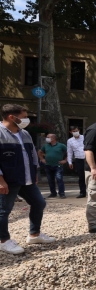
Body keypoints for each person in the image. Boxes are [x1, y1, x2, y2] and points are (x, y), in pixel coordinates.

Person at [0, 104, 54, 254]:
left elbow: (32, 154)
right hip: (8, 179)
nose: (26, 120)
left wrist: (34, 172)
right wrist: (0, 180)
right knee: (4, 210)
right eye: (23, 117)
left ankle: (34, 234)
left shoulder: (24, 133)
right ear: (12, 117)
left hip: (26, 178)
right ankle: (3, 241)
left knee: (39, 203)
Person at [39, 133, 67, 199]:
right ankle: (53, 193)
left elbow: (69, 152)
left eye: (48, 137)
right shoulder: (45, 146)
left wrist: (65, 160)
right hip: (48, 165)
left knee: (59, 179)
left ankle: (62, 193)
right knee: (50, 180)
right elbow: (40, 152)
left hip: (58, 165)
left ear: (53, 138)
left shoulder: (61, 145)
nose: (47, 138)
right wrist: (42, 159)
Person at [67, 126, 87, 198]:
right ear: (70, 132)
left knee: (90, 175)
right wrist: (70, 162)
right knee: (81, 177)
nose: (75, 132)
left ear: (79, 130)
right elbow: (69, 152)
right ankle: (82, 192)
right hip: (78, 159)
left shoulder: (84, 137)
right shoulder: (70, 141)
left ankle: (92, 191)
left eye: (76, 130)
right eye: (73, 131)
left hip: (87, 158)